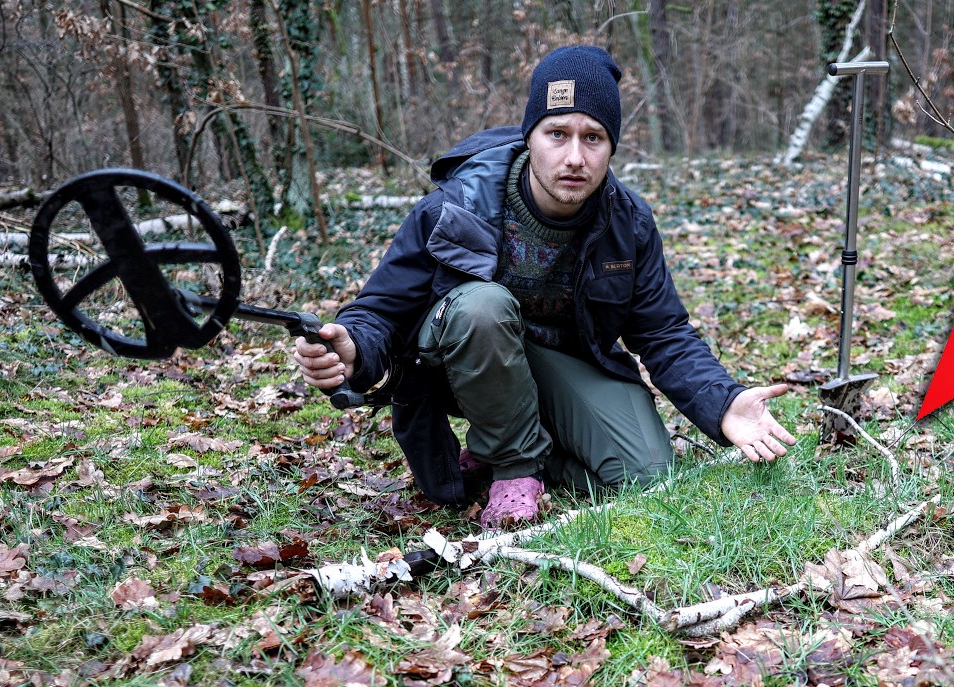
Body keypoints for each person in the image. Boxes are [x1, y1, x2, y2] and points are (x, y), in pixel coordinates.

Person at [294, 45, 796, 528]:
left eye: (593, 138)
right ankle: (514, 468)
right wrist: (354, 348)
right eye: (557, 134)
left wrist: (723, 401)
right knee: (483, 307)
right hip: (459, 365)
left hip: (558, 364)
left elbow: (663, 332)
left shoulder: (629, 223)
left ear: (611, 147)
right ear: (529, 136)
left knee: (647, 475)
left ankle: (506, 449)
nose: (574, 157)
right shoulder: (457, 205)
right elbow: (382, 309)